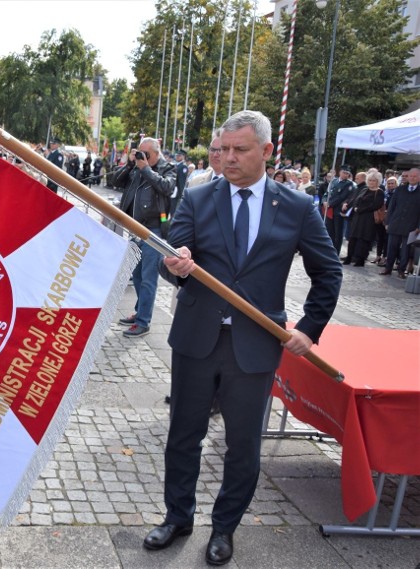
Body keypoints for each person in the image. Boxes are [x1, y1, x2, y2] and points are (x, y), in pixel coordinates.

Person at [147, 110, 341, 566]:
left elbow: (328, 273)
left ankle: (224, 528)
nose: (227, 158)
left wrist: (309, 331)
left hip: (254, 347)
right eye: (224, 149)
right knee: (183, 436)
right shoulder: (197, 197)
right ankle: (178, 517)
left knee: (243, 444)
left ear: (267, 152)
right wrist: (174, 265)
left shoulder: (296, 207)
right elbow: (171, 258)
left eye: (240, 150)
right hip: (196, 340)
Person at [112, 138, 176, 337]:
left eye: (146, 154)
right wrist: (131, 164)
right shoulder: (136, 168)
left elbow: (167, 188)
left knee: (149, 279)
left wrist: (146, 169)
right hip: (134, 228)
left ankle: (143, 322)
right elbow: (116, 181)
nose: (142, 157)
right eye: (140, 152)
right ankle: (140, 311)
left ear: (156, 153)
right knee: (137, 275)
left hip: (153, 230)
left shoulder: (167, 169)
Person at [379, 167, 420, 279]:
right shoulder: (400, 189)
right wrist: (388, 222)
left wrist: (418, 227)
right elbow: (392, 206)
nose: (412, 178)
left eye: (415, 176)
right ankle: (388, 268)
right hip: (395, 224)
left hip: (411, 226)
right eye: (410, 176)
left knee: (405, 250)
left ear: (419, 177)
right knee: (391, 247)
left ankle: (401, 270)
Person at [343, 169, 384, 267]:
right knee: (353, 238)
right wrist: (356, 207)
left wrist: (361, 209)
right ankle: (349, 257)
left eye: (373, 180)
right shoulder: (364, 189)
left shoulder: (379, 192)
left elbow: (376, 205)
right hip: (357, 218)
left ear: (378, 181)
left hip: (368, 219)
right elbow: (356, 199)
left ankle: (360, 259)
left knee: (364, 240)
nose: (371, 182)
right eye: (370, 180)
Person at [324, 165, 355, 255]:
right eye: (344, 172)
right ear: (340, 172)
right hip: (330, 210)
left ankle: (335, 252)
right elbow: (327, 193)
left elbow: (342, 197)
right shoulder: (334, 181)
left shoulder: (349, 184)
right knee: (330, 232)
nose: (345, 175)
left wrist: (330, 203)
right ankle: (329, 250)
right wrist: (324, 201)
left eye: (347, 173)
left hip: (338, 211)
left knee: (338, 234)